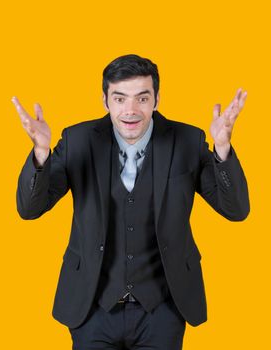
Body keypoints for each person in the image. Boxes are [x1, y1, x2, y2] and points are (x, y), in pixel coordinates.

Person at [13, 54, 250, 350]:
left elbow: (236, 210)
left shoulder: (187, 140)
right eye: (120, 98)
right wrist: (41, 154)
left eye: (142, 98)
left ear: (157, 99)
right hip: (92, 307)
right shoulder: (78, 140)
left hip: (163, 308)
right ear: (105, 101)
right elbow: (29, 209)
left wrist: (223, 150)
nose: (130, 110)